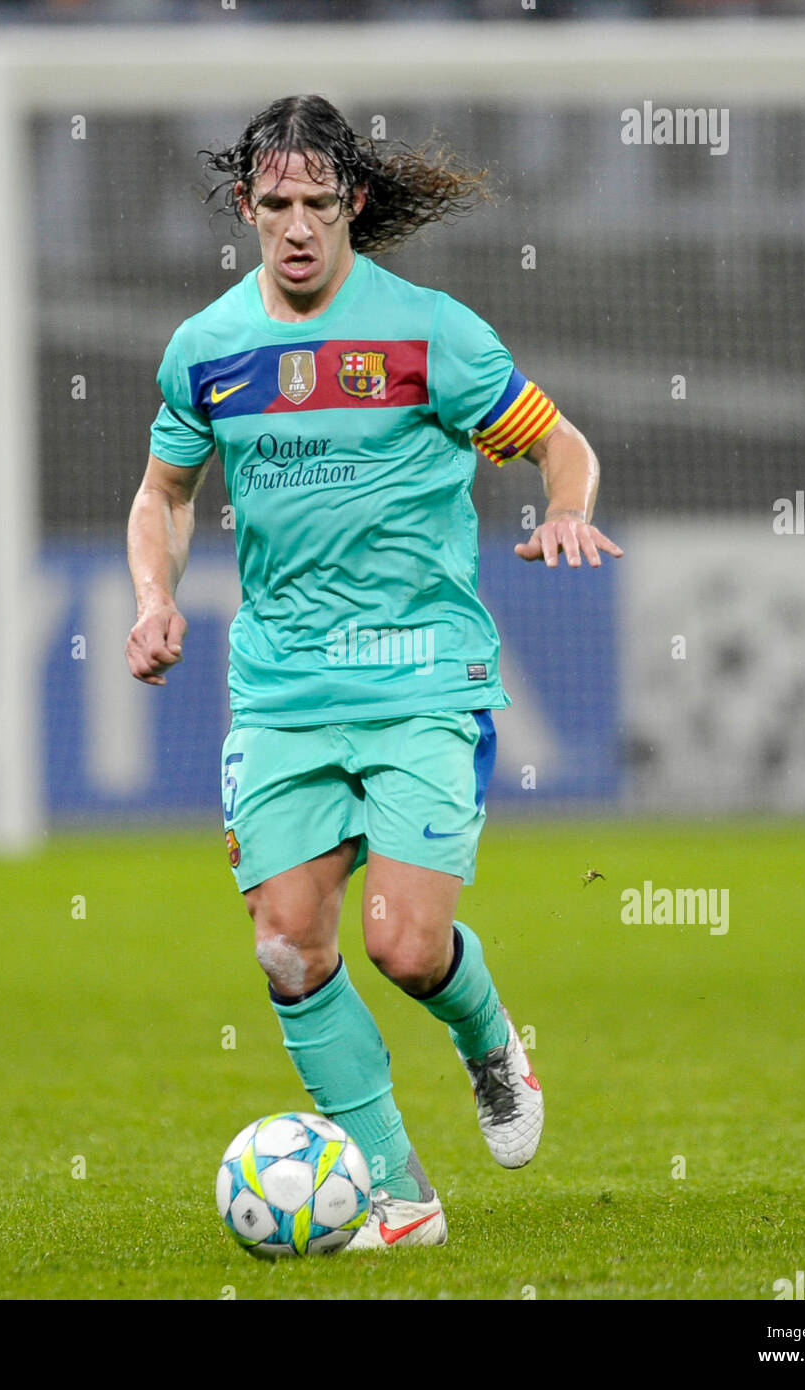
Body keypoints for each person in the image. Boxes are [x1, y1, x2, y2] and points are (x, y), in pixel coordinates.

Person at [125, 95, 622, 1250]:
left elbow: (560, 441)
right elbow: (164, 494)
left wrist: (563, 511)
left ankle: (489, 1038)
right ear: (245, 204)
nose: (296, 227)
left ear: (353, 202)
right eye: (274, 205)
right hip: (283, 688)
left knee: (402, 943)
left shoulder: (428, 335)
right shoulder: (207, 349)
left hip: (418, 677)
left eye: (316, 204)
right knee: (287, 942)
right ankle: (399, 1194)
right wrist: (153, 600)